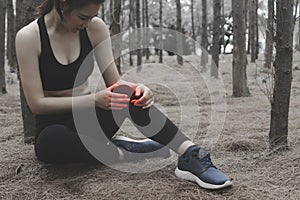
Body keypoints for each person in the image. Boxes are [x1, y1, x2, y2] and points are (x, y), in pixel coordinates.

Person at [16, 0, 232, 190]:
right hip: (54, 126)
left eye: (92, 17)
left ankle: (190, 154)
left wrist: (138, 89)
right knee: (52, 143)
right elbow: (37, 104)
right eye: (83, 17)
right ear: (63, 4)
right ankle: (127, 153)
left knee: (127, 94)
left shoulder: (94, 28)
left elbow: (114, 83)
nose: (87, 23)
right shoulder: (29, 37)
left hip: (92, 117)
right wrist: (93, 99)